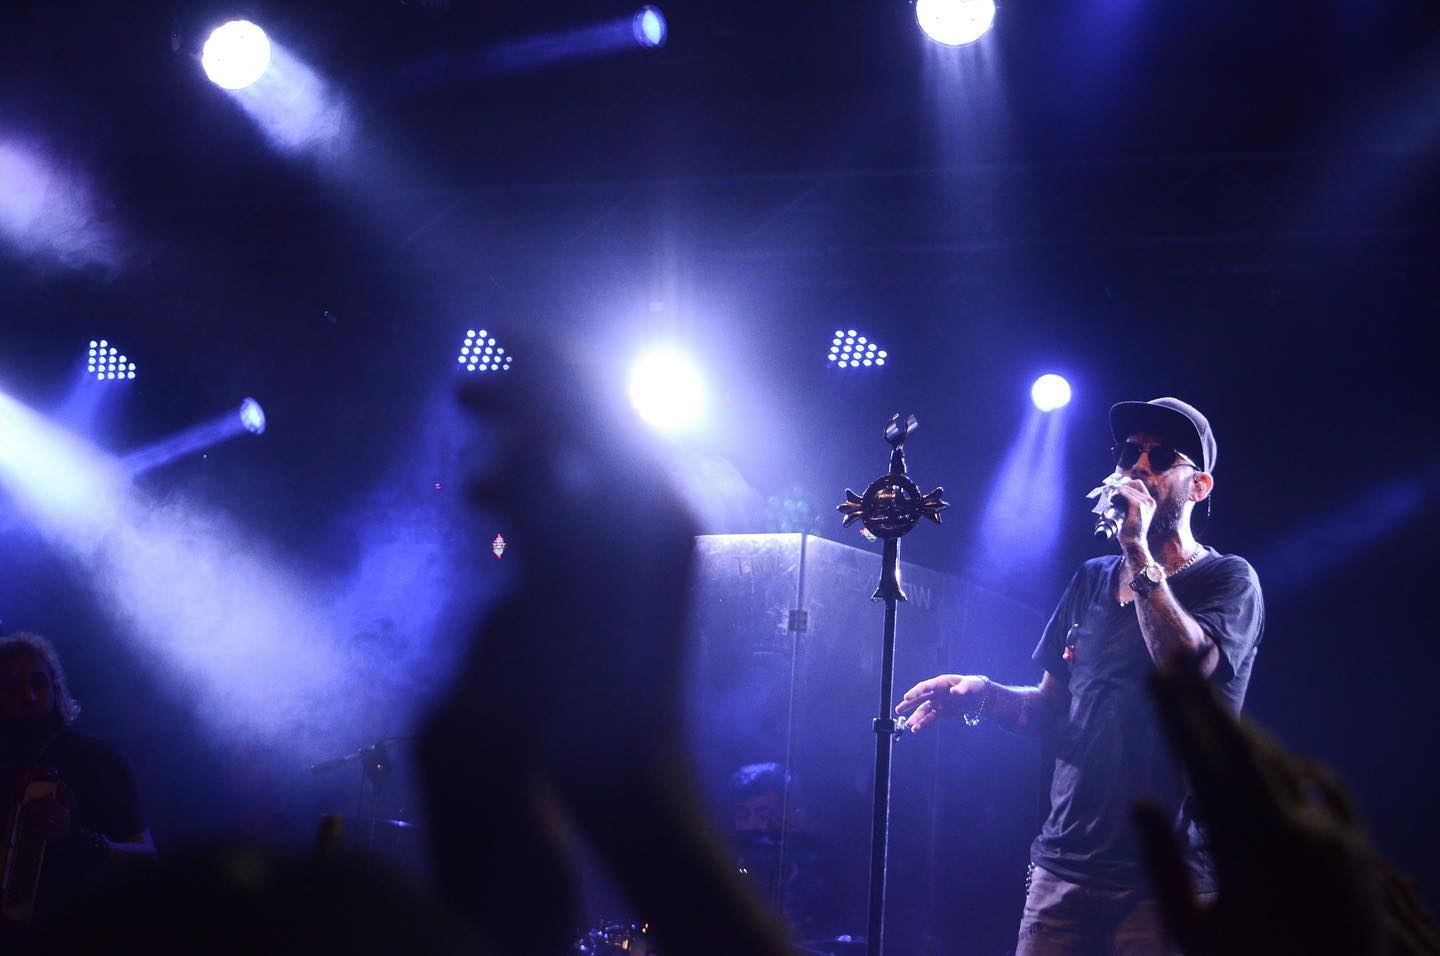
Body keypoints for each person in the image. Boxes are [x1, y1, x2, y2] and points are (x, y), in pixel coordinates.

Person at [896, 397, 1265, 955]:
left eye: (1161, 456)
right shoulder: (1092, 579)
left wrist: (1138, 548)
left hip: (1167, 879)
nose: (1139, 466)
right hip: (1062, 870)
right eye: (1129, 452)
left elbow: (1185, 666)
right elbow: (1051, 710)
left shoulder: (1228, 580)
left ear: (1199, 486)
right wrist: (985, 695)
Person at [0, 631, 156, 927]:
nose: (29, 696)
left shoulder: (97, 759)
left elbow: (146, 859)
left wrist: (77, 839)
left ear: (56, 689)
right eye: (12, 687)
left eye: (38, 683)